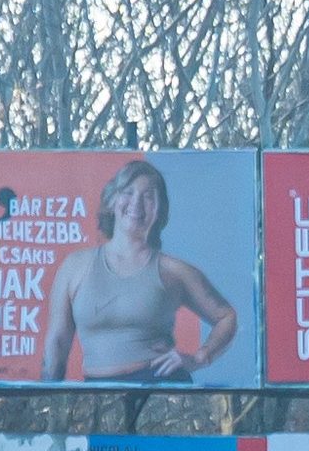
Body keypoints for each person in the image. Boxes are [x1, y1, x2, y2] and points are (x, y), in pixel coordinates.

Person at [41, 160, 243, 383]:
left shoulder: (174, 271)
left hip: (160, 391)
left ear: (159, 209)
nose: (136, 203)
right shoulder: (75, 266)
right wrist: (47, 393)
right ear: (112, 201)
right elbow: (58, 341)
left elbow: (227, 317)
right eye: (128, 192)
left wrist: (200, 358)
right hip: (96, 394)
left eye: (148, 196)